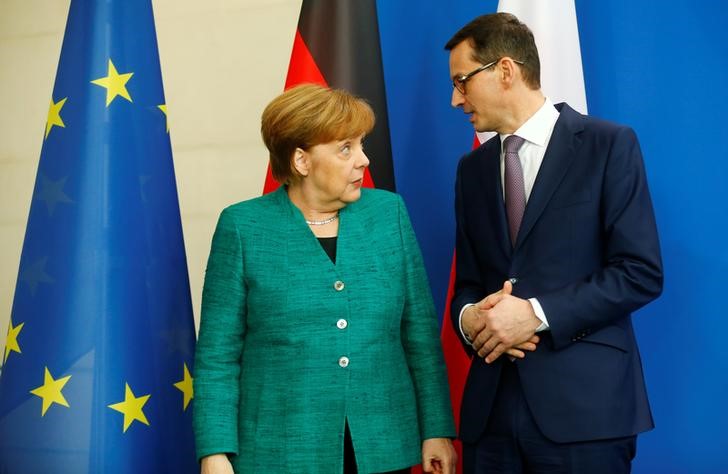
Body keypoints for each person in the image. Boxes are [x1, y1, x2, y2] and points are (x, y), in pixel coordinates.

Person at [193, 84, 457, 474]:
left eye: (361, 145)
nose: (364, 160)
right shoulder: (243, 226)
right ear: (301, 160)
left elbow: (418, 335)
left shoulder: (389, 214)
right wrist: (214, 452)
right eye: (345, 148)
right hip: (279, 451)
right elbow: (218, 355)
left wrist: (436, 429)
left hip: (382, 444)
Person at [445, 13, 663, 474]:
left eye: (462, 82)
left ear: (504, 70)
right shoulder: (472, 171)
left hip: (586, 412)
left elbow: (639, 272)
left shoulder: (608, 145)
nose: (454, 99)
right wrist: (471, 319)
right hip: (491, 419)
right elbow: (467, 282)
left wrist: (535, 314)